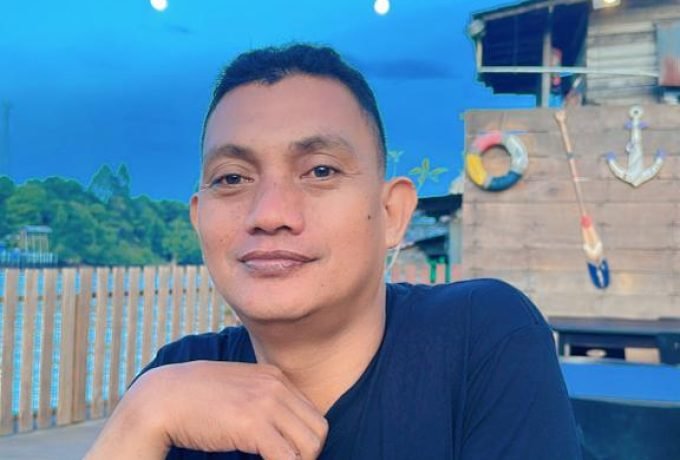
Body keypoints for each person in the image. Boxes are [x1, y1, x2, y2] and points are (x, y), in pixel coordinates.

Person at [86, 44, 582, 460]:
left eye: (320, 171)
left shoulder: (479, 338)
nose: (269, 213)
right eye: (232, 178)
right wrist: (138, 419)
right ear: (199, 220)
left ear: (391, 213)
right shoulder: (176, 386)